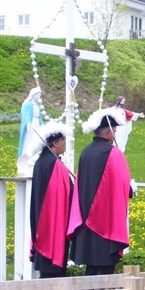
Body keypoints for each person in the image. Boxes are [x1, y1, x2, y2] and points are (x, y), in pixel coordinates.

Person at [67, 107, 135, 275]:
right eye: (115, 131)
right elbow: (122, 185)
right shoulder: (114, 153)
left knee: (91, 271)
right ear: (107, 133)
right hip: (105, 222)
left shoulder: (85, 152)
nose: (116, 134)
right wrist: (131, 189)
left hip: (85, 220)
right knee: (105, 272)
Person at [29, 122, 73, 278]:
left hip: (41, 221)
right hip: (54, 225)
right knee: (54, 273)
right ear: (55, 143)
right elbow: (65, 193)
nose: (64, 144)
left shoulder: (40, 162)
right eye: (63, 140)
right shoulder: (55, 164)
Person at [17, 87, 43, 176]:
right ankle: (26, 157)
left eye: (40, 95)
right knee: (29, 140)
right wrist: (28, 123)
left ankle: (35, 157)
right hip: (31, 125)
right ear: (33, 95)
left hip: (36, 124)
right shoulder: (28, 104)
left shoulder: (38, 106)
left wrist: (42, 125)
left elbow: (40, 117)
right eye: (37, 95)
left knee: (36, 141)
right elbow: (26, 115)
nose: (39, 97)